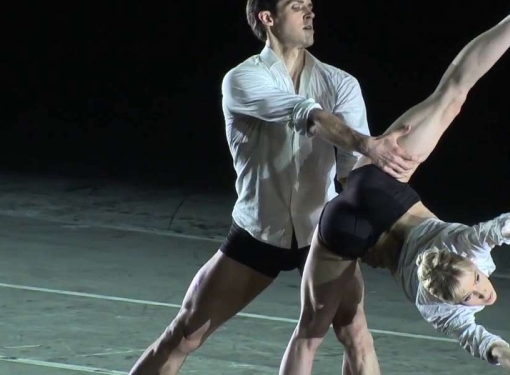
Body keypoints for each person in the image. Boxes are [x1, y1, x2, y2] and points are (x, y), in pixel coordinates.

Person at [278, 0, 510, 374]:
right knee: (452, 95)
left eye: (474, 293)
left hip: (365, 202)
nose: (486, 294)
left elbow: (482, 333)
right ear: (468, 263)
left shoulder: (449, 278)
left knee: (311, 334)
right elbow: (501, 231)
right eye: (479, 285)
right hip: (366, 211)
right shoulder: (446, 286)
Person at [127, 0, 419, 374]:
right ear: (268, 18)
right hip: (257, 232)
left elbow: (351, 175)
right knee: (185, 334)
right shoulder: (242, 79)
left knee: (355, 335)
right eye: (298, 7)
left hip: (322, 236)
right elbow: (306, 115)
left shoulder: (342, 83)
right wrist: (367, 143)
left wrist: (382, 232)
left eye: (310, 6)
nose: (310, 14)